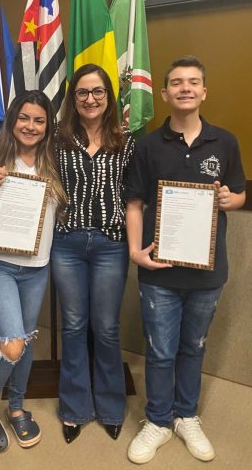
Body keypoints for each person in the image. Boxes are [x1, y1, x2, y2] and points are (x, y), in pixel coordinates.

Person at [126, 56, 246, 464]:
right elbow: (135, 203)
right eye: (176, 82)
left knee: (193, 346)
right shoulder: (147, 145)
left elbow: (238, 192)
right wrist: (134, 251)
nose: (185, 88)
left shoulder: (225, 141)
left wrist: (234, 199)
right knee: (159, 349)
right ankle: (158, 420)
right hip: (159, 269)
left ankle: (186, 415)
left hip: (208, 272)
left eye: (193, 81)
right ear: (164, 93)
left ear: (204, 91)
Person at [0, 90, 66, 453]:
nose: (31, 126)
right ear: (13, 121)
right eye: (24, 118)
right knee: (11, 344)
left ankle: (16, 407)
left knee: (25, 344)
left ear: (47, 126)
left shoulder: (55, 163)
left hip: (36, 268)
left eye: (39, 120)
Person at [50, 63, 135, 444]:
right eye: (82, 92)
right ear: (73, 98)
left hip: (110, 245)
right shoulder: (57, 138)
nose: (90, 99)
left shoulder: (128, 140)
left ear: (108, 96)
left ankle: (112, 407)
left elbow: (138, 195)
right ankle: (75, 408)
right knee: (72, 326)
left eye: (98, 91)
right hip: (66, 243)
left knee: (106, 327)